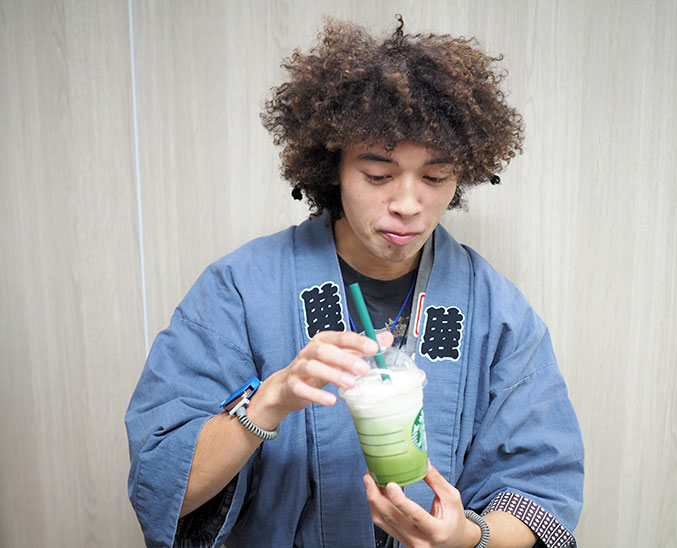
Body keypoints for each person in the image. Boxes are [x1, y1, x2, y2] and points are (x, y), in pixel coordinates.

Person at [125, 17, 584, 548]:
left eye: (435, 177)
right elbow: (163, 488)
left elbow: (542, 493)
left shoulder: (497, 311)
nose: (408, 204)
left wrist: (466, 536)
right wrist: (267, 404)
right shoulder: (240, 290)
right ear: (333, 168)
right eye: (378, 175)